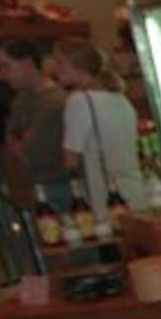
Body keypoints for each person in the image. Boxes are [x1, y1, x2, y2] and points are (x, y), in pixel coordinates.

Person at [49, 36, 144, 218]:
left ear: (77, 66)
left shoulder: (80, 101)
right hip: (134, 189)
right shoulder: (120, 99)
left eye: (60, 62)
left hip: (104, 197)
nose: (55, 68)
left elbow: (71, 159)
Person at [0, 38, 70, 205]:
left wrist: (20, 143)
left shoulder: (54, 102)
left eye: (6, 66)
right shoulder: (21, 98)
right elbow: (10, 142)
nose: (2, 74)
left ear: (27, 63)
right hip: (30, 185)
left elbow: (33, 153)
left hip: (55, 186)